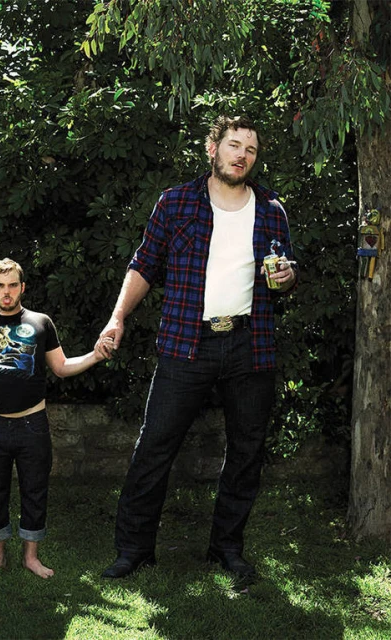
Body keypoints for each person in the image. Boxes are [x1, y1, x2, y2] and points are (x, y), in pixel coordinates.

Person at [96, 115, 298, 581]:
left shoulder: (272, 209)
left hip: (251, 344)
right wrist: (117, 317)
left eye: (250, 149)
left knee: (246, 451)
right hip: (187, 341)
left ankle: (227, 549)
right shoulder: (176, 202)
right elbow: (144, 265)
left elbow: (285, 270)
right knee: (155, 445)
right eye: (233, 145)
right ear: (213, 149)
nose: (241, 155)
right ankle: (134, 551)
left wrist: (288, 276)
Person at [0, 258, 110, 579]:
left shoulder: (41, 323)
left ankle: (31, 558)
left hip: (32, 424)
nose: (7, 292)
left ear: (22, 287)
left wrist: (95, 355)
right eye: (1, 286)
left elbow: (61, 367)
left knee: (35, 491)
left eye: (13, 285)